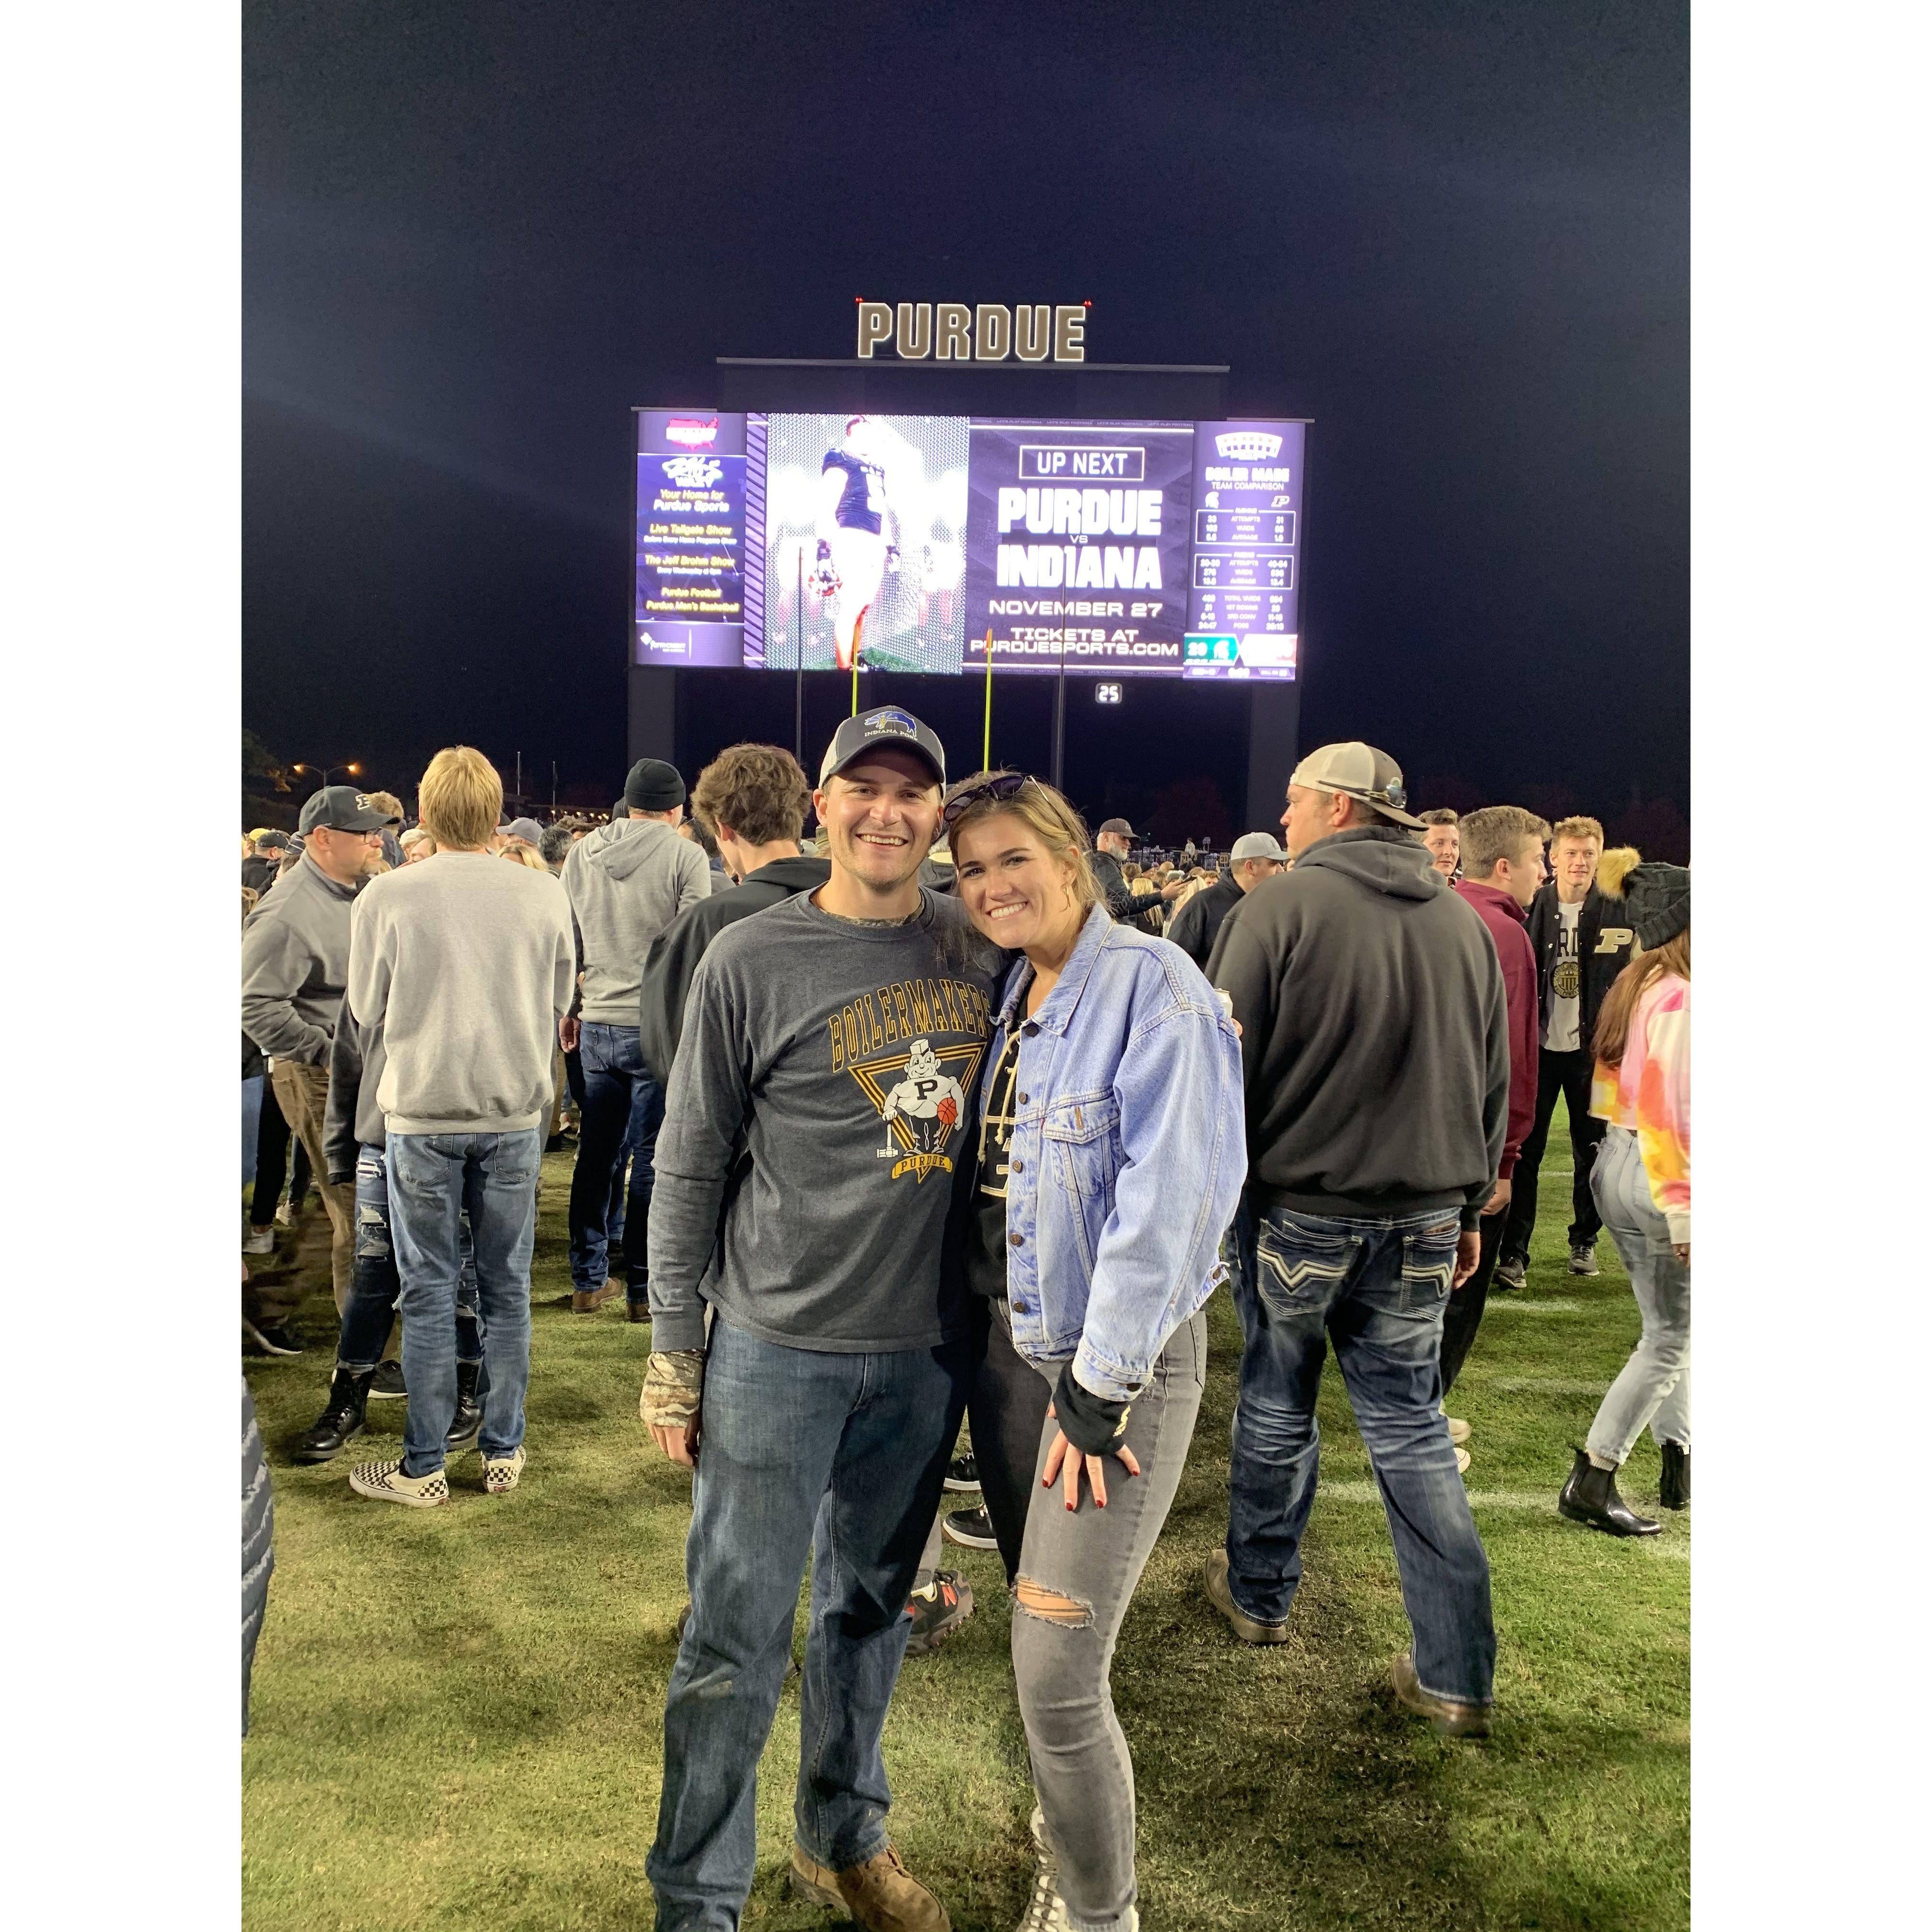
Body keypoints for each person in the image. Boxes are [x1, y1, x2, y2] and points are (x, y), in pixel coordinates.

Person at [640, 706, 1003, 1932]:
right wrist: (672, 1354)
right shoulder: (752, 957)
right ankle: (697, 1896)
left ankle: (843, 1839)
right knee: (735, 1640)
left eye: (912, 793)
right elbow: (688, 1166)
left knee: (870, 1615)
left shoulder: (977, 951)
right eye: (864, 788)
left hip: (923, 1352)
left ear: (937, 817)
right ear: (822, 806)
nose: (886, 813)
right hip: (773, 1351)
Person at [944, 769, 1245, 1932]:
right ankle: (1063, 1847)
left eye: (1013, 858)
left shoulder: (1155, 984)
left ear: (1071, 859)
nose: (991, 885)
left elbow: (1175, 1208)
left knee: (1058, 1675)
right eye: (971, 869)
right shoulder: (1017, 983)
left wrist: (1097, 1390)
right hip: (1012, 1356)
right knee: (1038, 1632)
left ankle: (1099, 1912)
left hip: (1102, 1373)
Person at [1204, 742, 1508, 1739]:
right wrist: (1466, 1211)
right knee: (1412, 1428)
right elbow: (1488, 1082)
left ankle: (1259, 1596)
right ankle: (1455, 1675)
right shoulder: (1464, 924)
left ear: (1337, 809)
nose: (1282, 820)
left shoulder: (1278, 910)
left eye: (1293, 803)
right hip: (1425, 1216)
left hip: (1302, 1211)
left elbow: (1218, 1068)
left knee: (1278, 1401)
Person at [343, 747, 575, 1508]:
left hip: (422, 1112)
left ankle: (425, 1464)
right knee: (505, 1288)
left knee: (430, 1287)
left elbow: (366, 1011)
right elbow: (560, 998)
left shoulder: (389, 895)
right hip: (512, 1110)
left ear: (427, 807)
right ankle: (503, 1449)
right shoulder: (542, 895)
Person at [1557, 854, 1690, 1538]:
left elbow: (1618, 1097)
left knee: (1670, 1329)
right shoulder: (1680, 998)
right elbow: (1669, 1110)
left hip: (1618, 1161)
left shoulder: (1636, 986)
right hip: (1653, 1171)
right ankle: (1596, 1473)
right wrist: (1683, 1204)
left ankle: (1680, 1454)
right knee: (1671, 1337)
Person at [560, 759, 711, 1318]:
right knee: (652, 1157)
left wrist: (572, 1005)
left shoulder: (582, 852)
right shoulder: (684, 854)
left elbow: (567, 937)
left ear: (628, 803)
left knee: (596, 1155)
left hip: (597, 1017)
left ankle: (587, 1278)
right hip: (656, 1024)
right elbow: (692, 943)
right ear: (677, 809)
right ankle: (645, 1291)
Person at [241, 785, 392, 1339]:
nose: (377, 839)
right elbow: (254, 1005)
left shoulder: (356, 890)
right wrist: (328, 1054)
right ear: (323, 839)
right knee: (361, 1207)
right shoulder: (288, 911)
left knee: (339, 1199)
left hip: (349, 1067)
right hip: (316, 1072)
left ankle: (266, 1307)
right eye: (364, 833)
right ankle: (368, 1350)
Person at [1436, 807, 1549, 1453]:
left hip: (1425, 1140)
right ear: (1504, 866)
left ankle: (1414, 1409)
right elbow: (1510, 1057)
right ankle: (1422, 1418)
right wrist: (1505, 1161)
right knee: (1457, 1290)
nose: (1545, 871)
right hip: (1474, 1149)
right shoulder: (1506, 937)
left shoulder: (1443, 912)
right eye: (1538, 858)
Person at [637, 743, 830, 1092]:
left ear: (723, 829)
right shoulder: (851, 902)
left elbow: (672, 1056)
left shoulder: (704, 925)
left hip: (738, 1132)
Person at [1497, 816, 1638, 1288]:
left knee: (1593, 1152)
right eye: (1571, 853)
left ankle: (1584, 1241)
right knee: (1525, 1153)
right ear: (1553, 857)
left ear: (1599, 858)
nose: (1580, 862)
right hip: (1536, 1050)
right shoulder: (1528, 909)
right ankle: (1515, 1253)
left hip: (1591, 1053)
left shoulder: (1618, 910)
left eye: (1588, 854)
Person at [1164, 832, 1287, 969]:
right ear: (1250, 867)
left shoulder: (1272, 903)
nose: (1281, 870)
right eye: (1274, 864)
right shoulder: (1203, 904)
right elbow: (1173, 964)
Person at [1417, 807, 1461, 879]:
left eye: (1455, 844)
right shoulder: (1402, 889)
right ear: (1417, 847)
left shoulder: (1463, 890)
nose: (1450, 852)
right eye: (1439, 843)